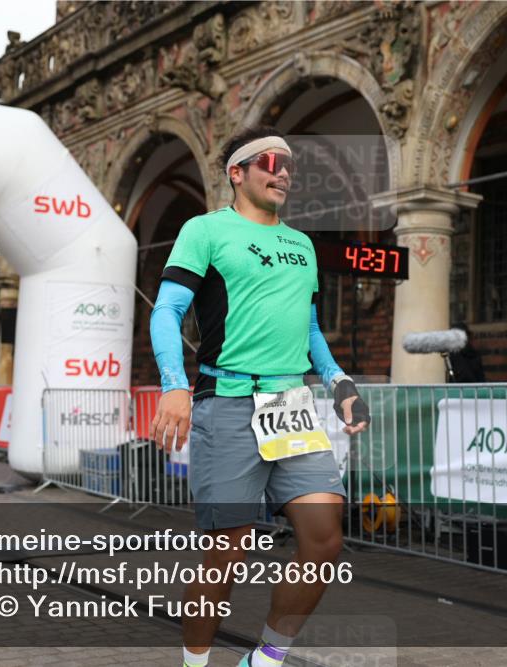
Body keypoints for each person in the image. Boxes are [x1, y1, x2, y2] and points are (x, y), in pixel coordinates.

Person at [150, 127, 371, 667]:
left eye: (289, 164)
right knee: (226, 552)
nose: (284, 172)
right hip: (226, 403)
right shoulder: (205, 230)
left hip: (290, 407)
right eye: (271, 162)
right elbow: (167, 311)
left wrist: (339, 382)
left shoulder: (302, 245)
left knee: (324, 540)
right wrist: (174, 386)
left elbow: (310, 328)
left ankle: (266, 660)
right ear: (237, 172)